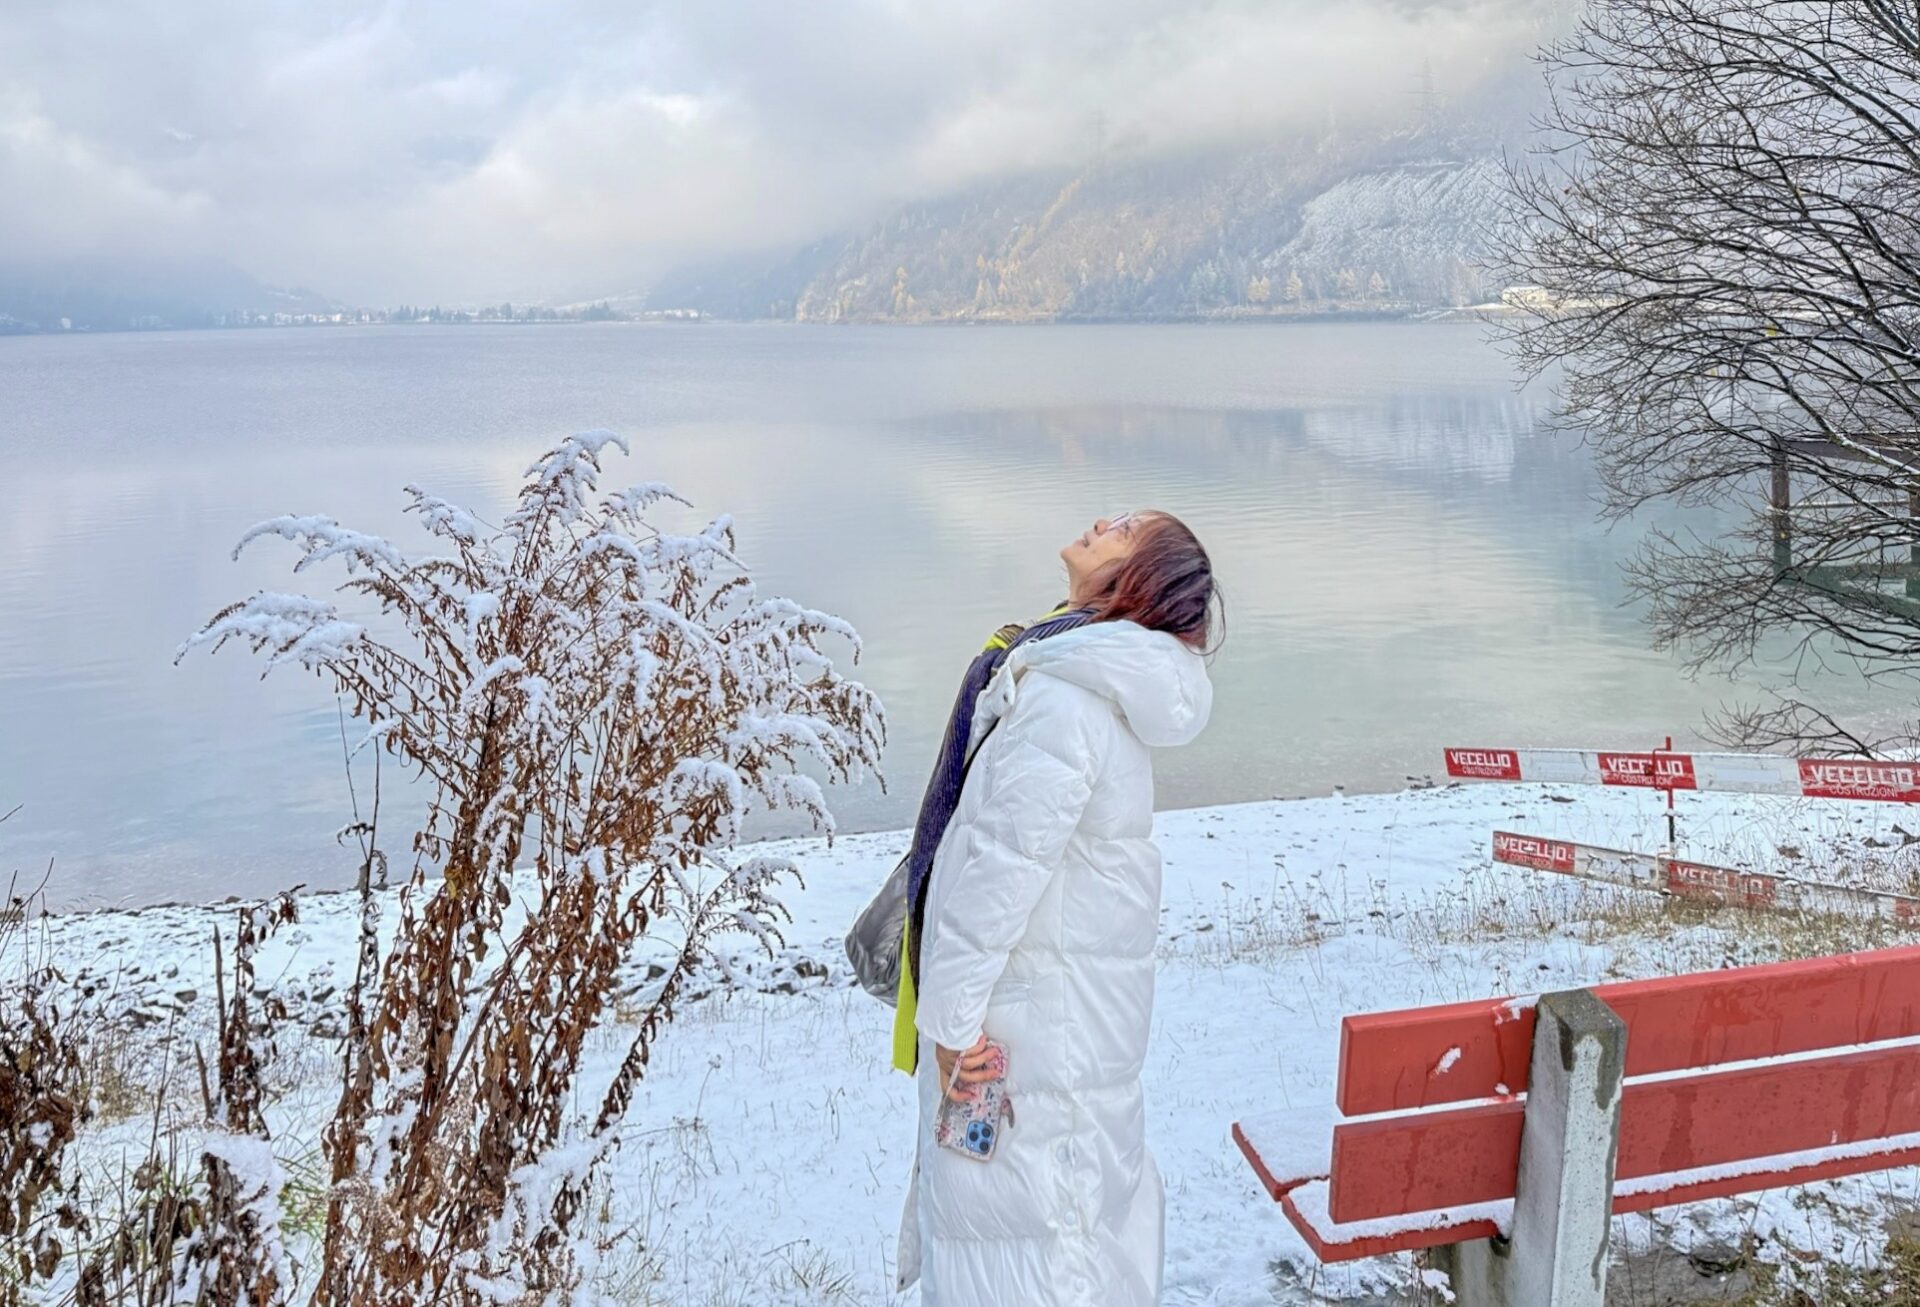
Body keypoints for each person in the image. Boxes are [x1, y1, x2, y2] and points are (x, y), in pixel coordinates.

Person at [895, 510, 1219, 1306]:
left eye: (1127, 528)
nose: (1102, 520)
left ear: (1133, 580)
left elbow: (995, 872)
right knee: (1058, 1235)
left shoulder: (1063, 704)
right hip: (1062, 1027)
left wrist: (954, 1019)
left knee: (1032, 1248)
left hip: (1030, 1039)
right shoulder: (1077, 682)